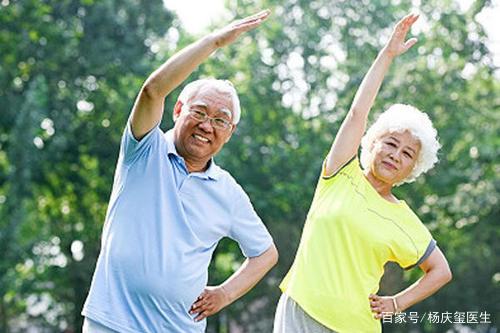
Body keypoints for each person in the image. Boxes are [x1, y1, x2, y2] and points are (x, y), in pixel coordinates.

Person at [81, 10, 278, 333]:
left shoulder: (227, 191)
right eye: (199, 112)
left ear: (230, 132)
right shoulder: (144, 149)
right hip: (111, 322)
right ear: (178, 110)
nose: (206, 125)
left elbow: (265, 254)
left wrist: (225, 293)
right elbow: (152, 90)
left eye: (220, 120)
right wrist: (214, 42)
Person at [273, 14, 452, 333]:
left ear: (413, 168)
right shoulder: (340, 172)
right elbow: (358, 112)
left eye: (407, 153)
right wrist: (387, 55)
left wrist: (396, 303)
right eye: (391, 143)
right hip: (301, 311)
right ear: (372, 142)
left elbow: (440, 270)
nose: (396, 155)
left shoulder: (405, 221)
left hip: (356, 326)